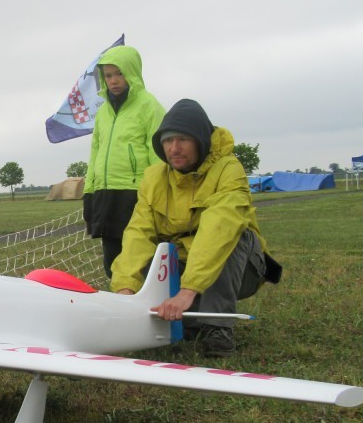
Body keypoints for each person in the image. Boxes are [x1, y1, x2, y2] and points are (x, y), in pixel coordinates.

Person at [110, 98, 282, 357]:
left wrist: (188, 290)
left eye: (183, 139)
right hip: (184, 265)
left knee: (234, 236)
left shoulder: (229, 169)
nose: (174, 148)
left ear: (200, 140)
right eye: (168, 141)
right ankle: (183, 322)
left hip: (240, 269)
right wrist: (125, 289)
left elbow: (219, 228)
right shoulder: (154, 178)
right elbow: (138, 233)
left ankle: (217, 329)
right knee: (154, 253)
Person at [82, 45, 165, 279]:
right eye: (108, 75)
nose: (114, 80)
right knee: (112, 262)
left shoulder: (149, 106)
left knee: (141, 259)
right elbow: (95, 154)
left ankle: (149, 306)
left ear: (132, 73)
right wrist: (89, 193)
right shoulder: (103, 113)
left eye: (119, 74)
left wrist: (155, 195)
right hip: (106, 194)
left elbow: (158, 154)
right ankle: (121, 305)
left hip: (136, 194)